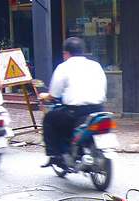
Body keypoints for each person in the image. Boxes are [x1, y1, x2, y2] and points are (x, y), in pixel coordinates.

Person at [39, 37, 107, 168]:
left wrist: (44, 96)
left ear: (66, 53)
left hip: (76, 112)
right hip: (99, 110)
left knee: (49, 118)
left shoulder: (64, 67)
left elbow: (54, 94)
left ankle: (54, 155)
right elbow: (104, 89)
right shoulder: (95, 65)